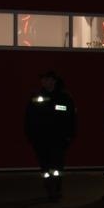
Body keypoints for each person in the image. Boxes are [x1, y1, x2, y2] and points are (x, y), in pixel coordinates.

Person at [24, 70, 76, 200]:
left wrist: (69, 135)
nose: (44, 82)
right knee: (44, 165)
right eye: (43, 79)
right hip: (40, 137)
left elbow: (71, 117)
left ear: (54, 80)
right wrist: (30, 134)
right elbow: (29, 117)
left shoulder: (64, 97)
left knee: (57, 165)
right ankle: (48, 188)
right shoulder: (36, 96)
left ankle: (57, 188)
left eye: (47, 79)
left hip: (58, 137)